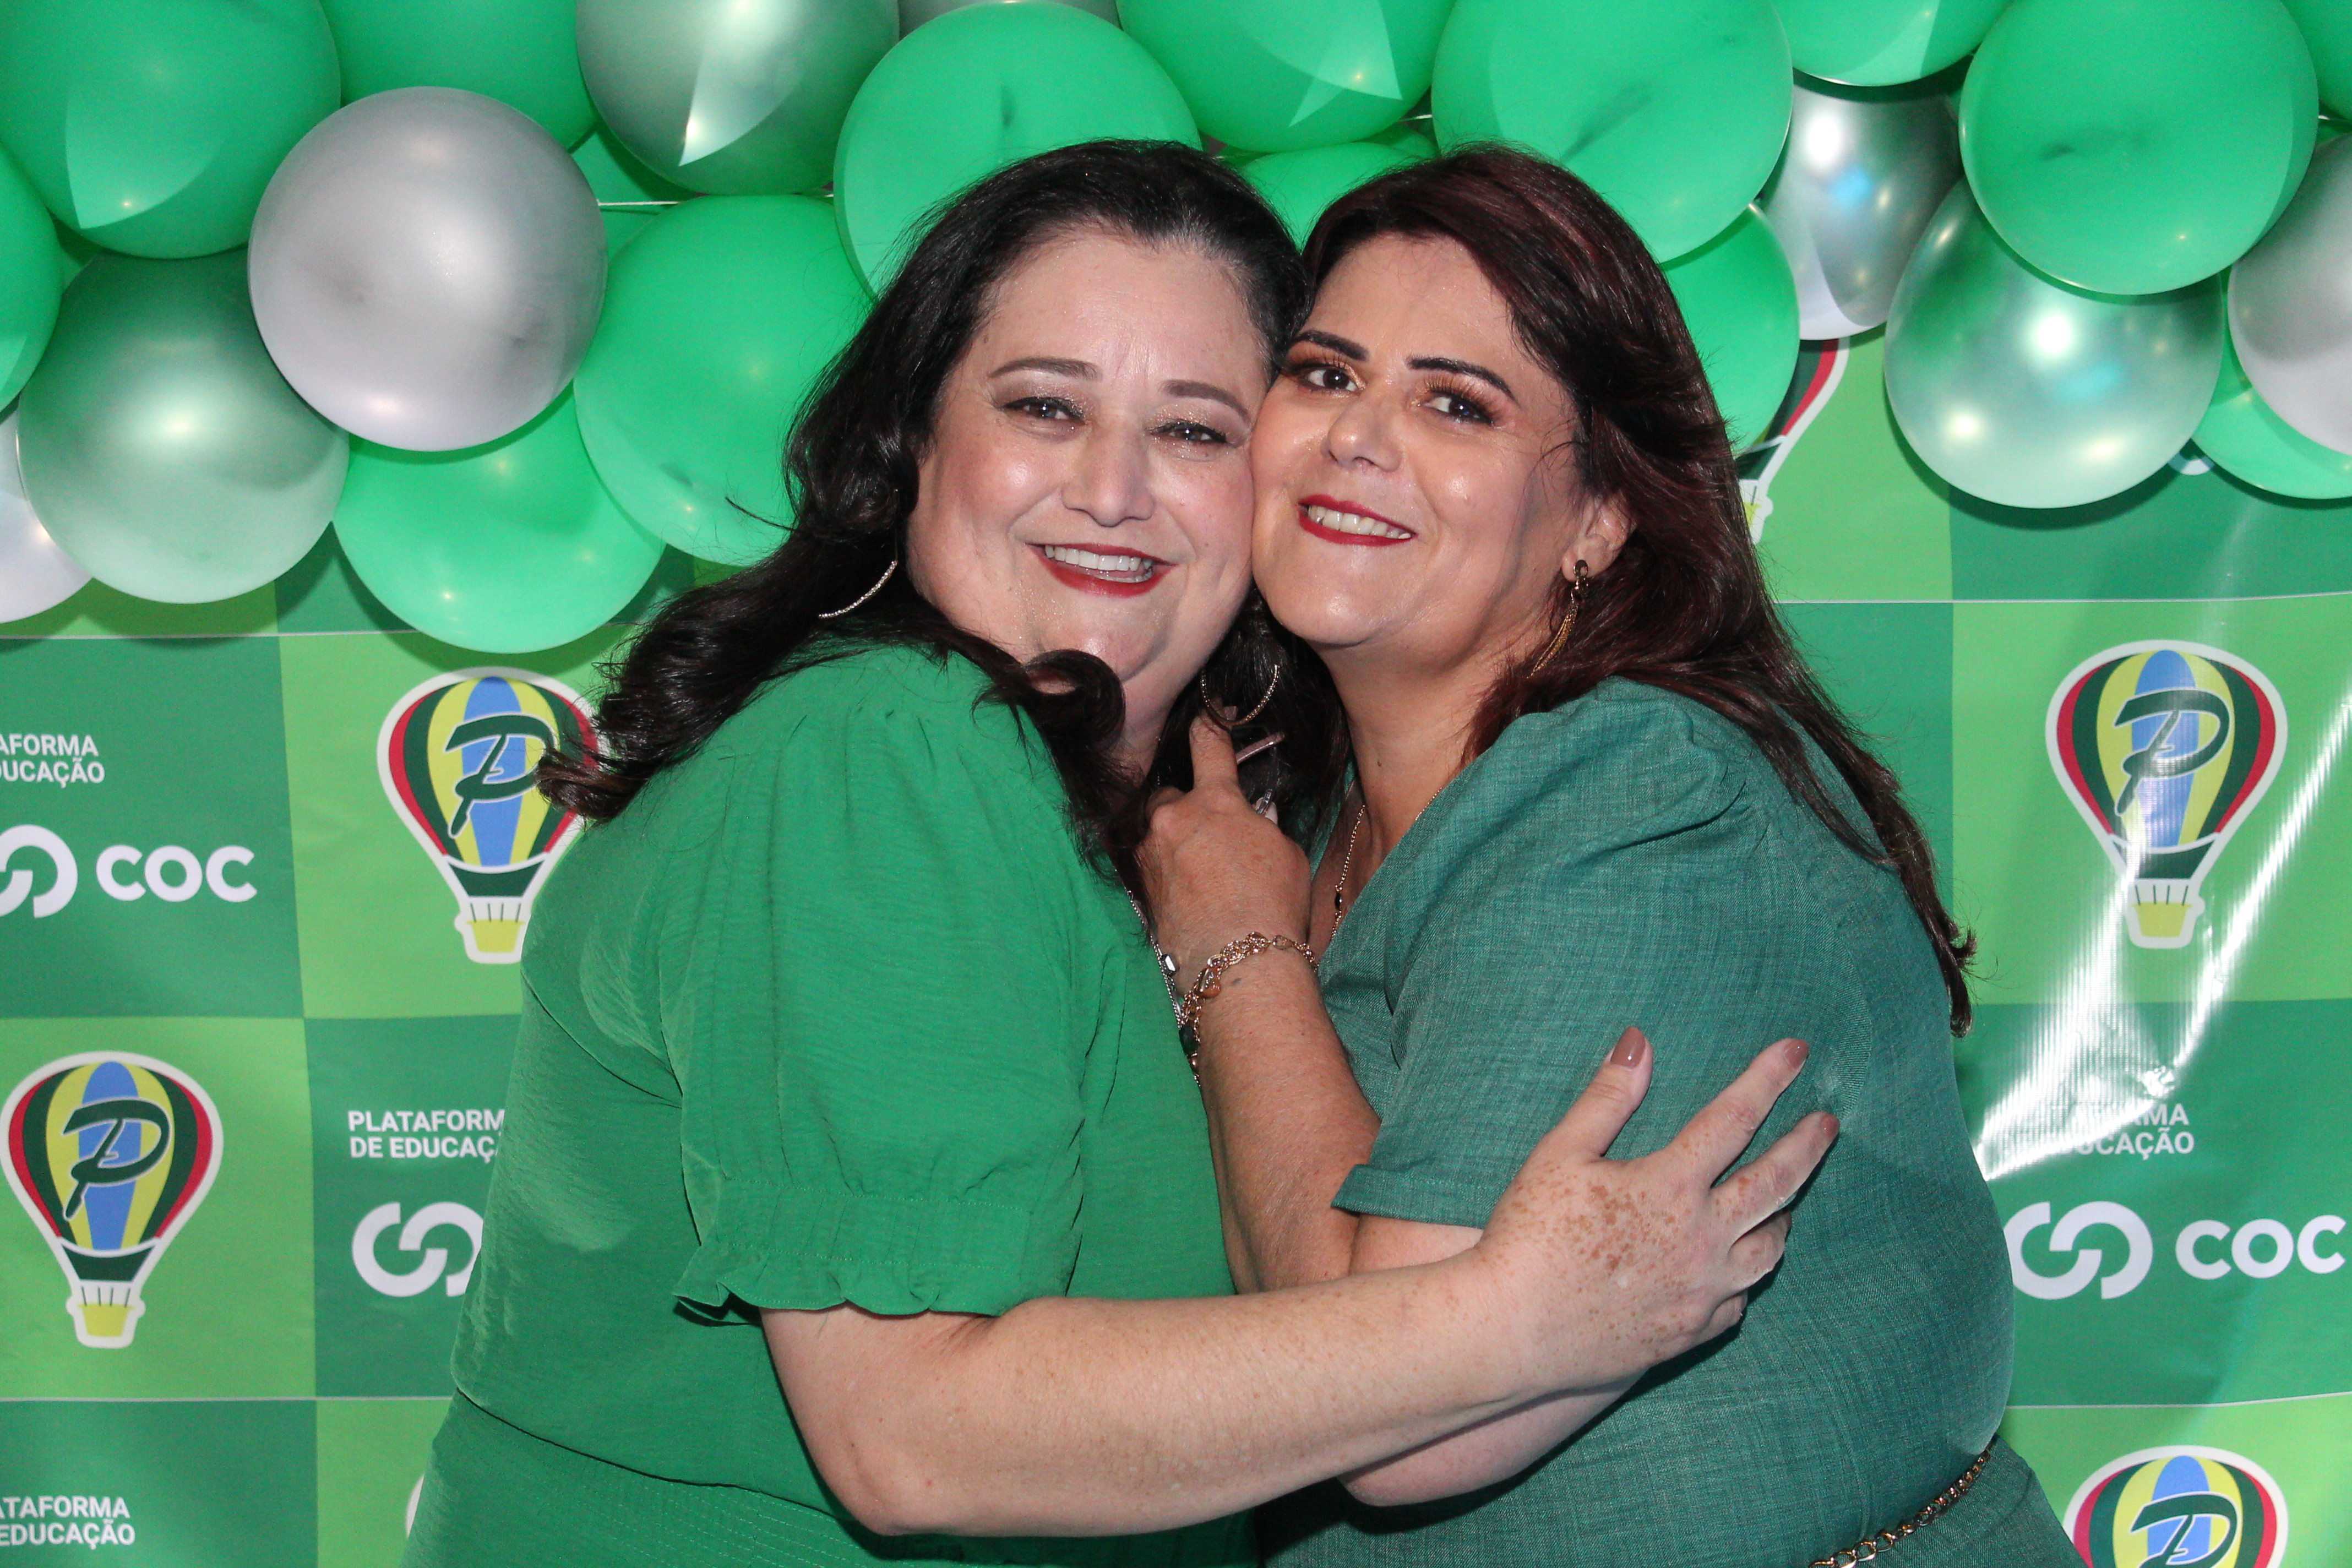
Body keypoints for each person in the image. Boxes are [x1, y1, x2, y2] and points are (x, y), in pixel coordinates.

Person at [400, 141, 1837, 1568]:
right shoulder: (885, 747)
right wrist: (1522, 1322)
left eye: (1198, 430)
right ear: (912, 446)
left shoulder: (1116, 818)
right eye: (1044, 407)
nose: (1113, 488)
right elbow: (910, 1435)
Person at [1140, 147, 2079, 1566]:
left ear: (1600, 517)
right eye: (1326, 375)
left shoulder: (1636, 787)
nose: (1356, 436)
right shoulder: (1318, 812)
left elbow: (1406, 1412)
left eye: (1456, 403)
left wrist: (1233, 948)